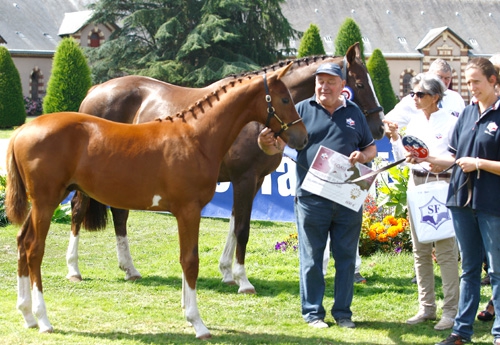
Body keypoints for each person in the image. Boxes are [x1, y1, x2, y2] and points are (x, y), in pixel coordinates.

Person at [258, 62, 376, 329]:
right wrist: (265, 144)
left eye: (330, 82)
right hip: (311, 198)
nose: (324, 87)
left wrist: (362, 156)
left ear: (342, 86)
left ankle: (343, 313)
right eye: (320, 82)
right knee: (312, 258)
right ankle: (313, 313)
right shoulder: (301, 111)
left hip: (347, 197)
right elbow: (276, 147)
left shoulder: (354, 113)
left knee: (346, 258)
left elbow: (371, 149)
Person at [410, 57, 500, 345]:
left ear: (493, 81)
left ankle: (499, 333)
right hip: (461, 199)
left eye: (476, 82)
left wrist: (479, 163)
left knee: (497, 271)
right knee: (470, 269)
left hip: (492, 202)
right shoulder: (466, 114)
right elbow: (452, 156)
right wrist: (428, 160)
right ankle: (461, 332)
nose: (471, 87)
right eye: (468, 81)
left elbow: (473, 160)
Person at [385, 73, 459, 331]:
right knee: (420, 250)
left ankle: (451, 310)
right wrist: (395, 139)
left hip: (441, 184)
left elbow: (454, 158)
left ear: (435, 97)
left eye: (420, 94)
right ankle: (426, 307)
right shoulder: (414, 122)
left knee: (446, 251)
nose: (414, 98)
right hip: (416, 184)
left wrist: (428, 159)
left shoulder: (451, 123)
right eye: (412, 93)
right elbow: (404, 157)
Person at [385, 58, 465, 128]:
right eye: (439, 77)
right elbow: (387, 123)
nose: (443, 82)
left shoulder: (456, 99)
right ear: (429, 75)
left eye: (447, 78)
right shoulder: (413, 100)